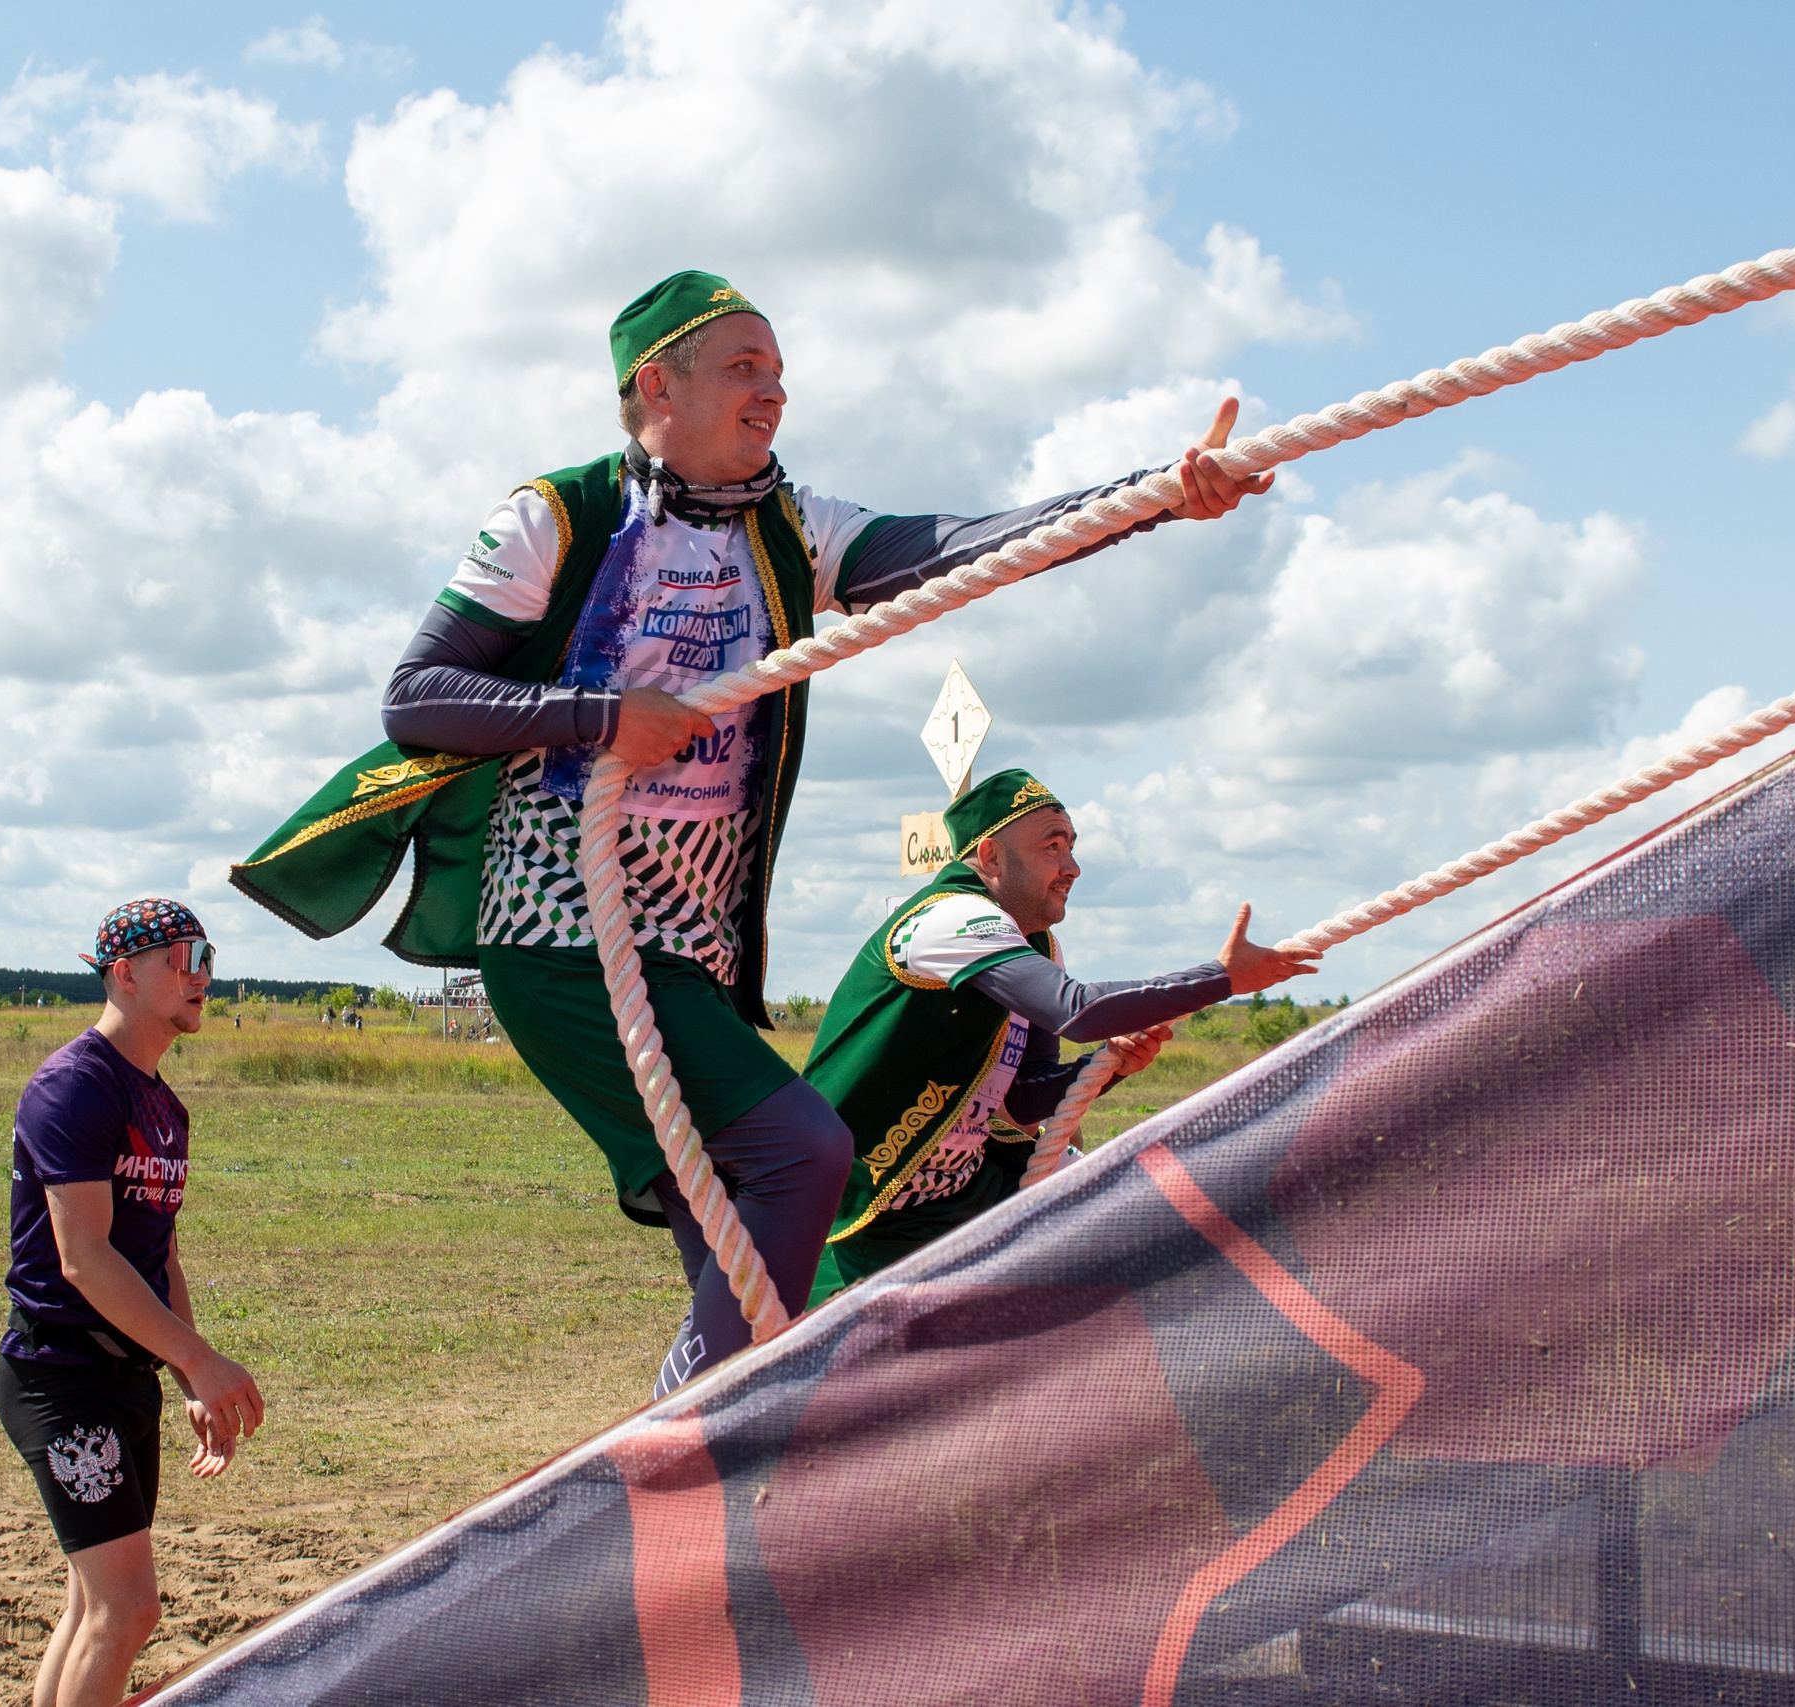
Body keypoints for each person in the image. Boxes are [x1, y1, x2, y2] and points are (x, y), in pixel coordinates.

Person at [231, 271, 1272, 1396]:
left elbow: (963, 545)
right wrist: (597, 717)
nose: (775, 394)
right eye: (744, 369)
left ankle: (714, 1489)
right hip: (565, 935)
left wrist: (1156, 495)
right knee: (804, 1151)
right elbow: (417, 695)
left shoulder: (789, 526)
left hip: (697, 951)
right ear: (654, 386)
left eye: (779, 373)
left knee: (743, 1263)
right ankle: (683, 1439)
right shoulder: (556, 515)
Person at [803, 769, 1316, 1306]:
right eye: (1052, 846)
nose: (1072, 867)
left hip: (960, 1191)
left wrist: (1107, 1068)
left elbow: (1023, 1096)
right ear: (991, 857)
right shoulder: (949, 920)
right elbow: (1078, 1009)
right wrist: (1221, 978)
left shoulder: (1038, 946)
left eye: (1070, 846)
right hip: (865, 1206)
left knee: (1144, 1221)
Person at [0, 900, 264, 1707]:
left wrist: (187, 1377)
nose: (203, 975)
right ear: (125, 972)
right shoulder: (75, 1085)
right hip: (62, 1375)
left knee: (93, 1606)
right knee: (127, 1609)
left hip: (123, 1382)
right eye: (185, 955)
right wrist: (199, 1359)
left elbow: (159, 1255)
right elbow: (84, 1259)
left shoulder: (163, 1105)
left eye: (208, 956)